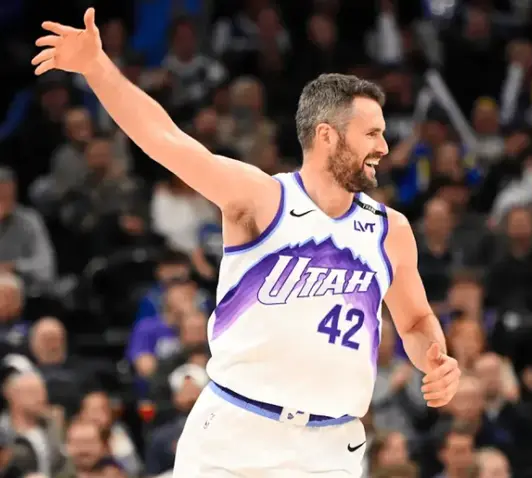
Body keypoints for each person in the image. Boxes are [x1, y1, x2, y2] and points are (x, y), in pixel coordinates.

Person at [31, 8, 461, 477]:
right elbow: (165, 139)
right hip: (236, 435)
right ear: (327, 136)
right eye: (372, 133)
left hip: (330, 448)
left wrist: (435, 357)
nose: (383, 146)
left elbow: (415, 321)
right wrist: (96, 66)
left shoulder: (389, 228)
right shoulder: (261, 199)